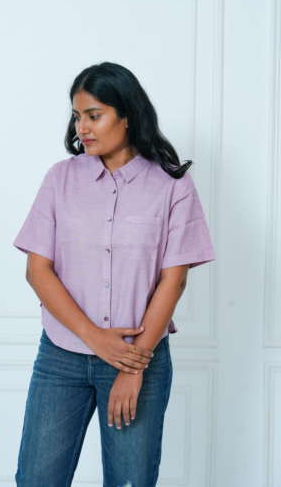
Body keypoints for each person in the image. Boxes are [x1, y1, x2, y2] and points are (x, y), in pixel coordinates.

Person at [12, 62, 216, 487]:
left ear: (127, 116)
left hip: (138, 358)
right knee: (36, 479)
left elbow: (174, 280)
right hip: (61, 357)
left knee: (129, 481)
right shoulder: (60, 178)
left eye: (94, 115)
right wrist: (95, 337)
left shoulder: (172, 185)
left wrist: (133, 367)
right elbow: (37, 271)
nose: (82, 127)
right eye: (77, 116)